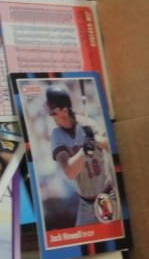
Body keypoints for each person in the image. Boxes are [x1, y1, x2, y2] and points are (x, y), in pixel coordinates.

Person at [45, 85, 118, 226]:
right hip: (86, 203)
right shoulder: (57, 135)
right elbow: (69, 172)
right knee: (81, 237)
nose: (51, 116)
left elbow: (111, 146)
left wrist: (95, 139)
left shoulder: (87, 123)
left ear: (64, 110)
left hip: (108, 195)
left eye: (53, 112)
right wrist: (83, 150)